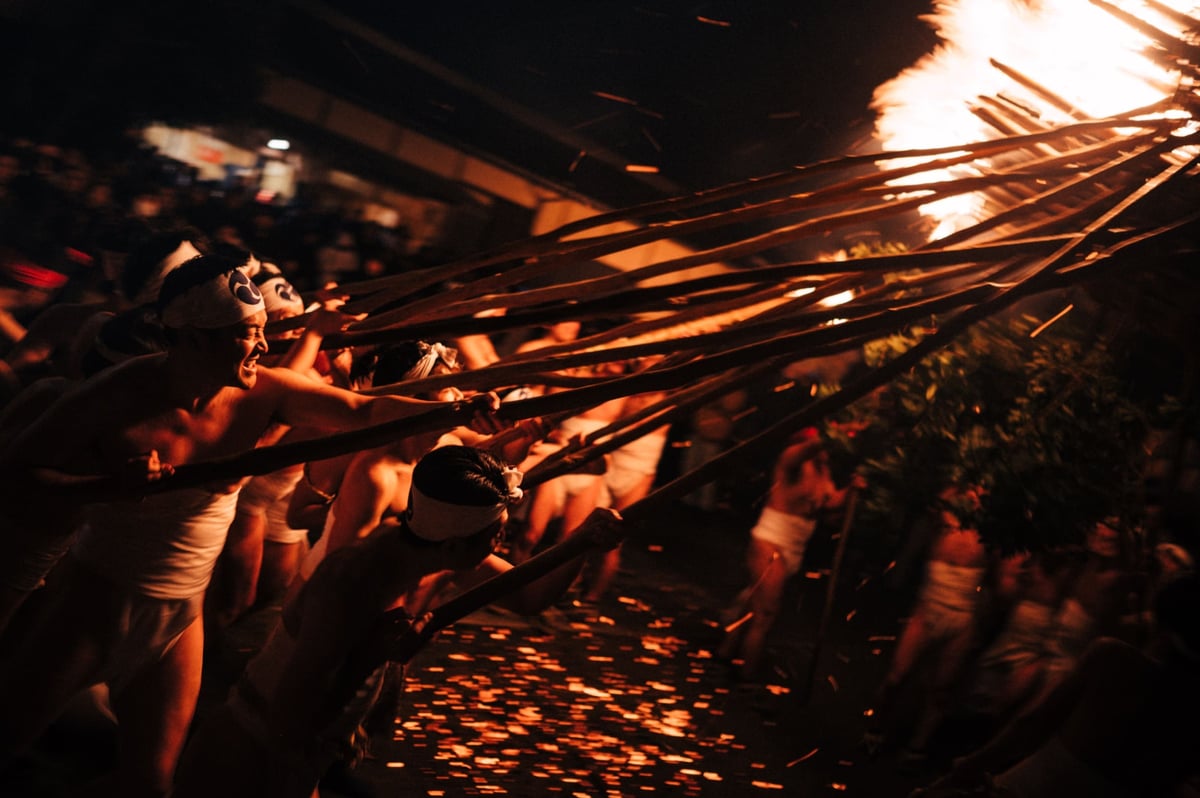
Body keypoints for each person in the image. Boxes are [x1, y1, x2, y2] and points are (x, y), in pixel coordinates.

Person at [0, 252, 501, 798]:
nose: (264, 346)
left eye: (262, 331)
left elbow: (361, 414)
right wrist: (107, 488)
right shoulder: (117, 395)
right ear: (193, 339)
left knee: (152, 785)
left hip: (178, 620)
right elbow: (18, 477)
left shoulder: (266, 391)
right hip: (92, 602)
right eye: (247, 334)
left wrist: (452, 411)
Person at [171, 445, 624, 798]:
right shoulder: (351, 583)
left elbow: (530, 596)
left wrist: (581, 543)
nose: (502, 540)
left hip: (305, 749)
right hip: (250, 750)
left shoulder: (437, 550)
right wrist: (376, 654)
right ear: (454, 545)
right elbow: (290, 712)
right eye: (495, 534)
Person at [915, 572, 1200, 798]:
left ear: (1158, 620)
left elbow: (1034, 723)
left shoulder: (1114, 658)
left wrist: (967, 769)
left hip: (1035, 787)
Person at [718, 429, 861, 681]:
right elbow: (805, 451)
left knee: (755, 601)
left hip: (794, 549)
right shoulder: (793, 462)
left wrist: (852, 488)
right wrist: (830, 435)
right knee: (766, 614)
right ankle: (745, 675)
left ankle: (725, 651)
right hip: (770, 542)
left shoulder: (823, 471)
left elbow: (829, 504)